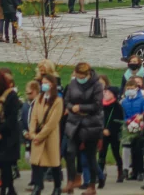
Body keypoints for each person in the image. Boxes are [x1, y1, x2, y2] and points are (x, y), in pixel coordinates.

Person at [63, 63, 103, 195]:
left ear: (87, 74)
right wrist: (71, 108)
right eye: (77, 75)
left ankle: (92, 185)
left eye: (81, 76)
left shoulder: (96, 85)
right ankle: (71, 180)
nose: (79, 77)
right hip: (74, 123)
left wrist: (80, 108)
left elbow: (97, 105)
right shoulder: (73, 84)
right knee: (70, 152)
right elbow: (67, 100)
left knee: (90, 156)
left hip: (91, 124)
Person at [0, 69, 21, 195]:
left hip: (8, 135)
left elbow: (12, 118)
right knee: (2, 163)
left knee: (6, 162)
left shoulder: (11, 96)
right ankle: (10, 189)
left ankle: (6, 189)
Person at [28, 74, 63, 195]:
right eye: (42, 82)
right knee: (36, 162)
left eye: (46, 82)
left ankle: (57, 187)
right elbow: (34, 117)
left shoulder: (58, 101)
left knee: (54, 162)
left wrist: (40, 136)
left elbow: (52, 122)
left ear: (52, 84)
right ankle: (38, 185)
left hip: (50, 135)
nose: (43, 85)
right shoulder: (39, 99)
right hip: (37, 134)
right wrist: (32, 133)